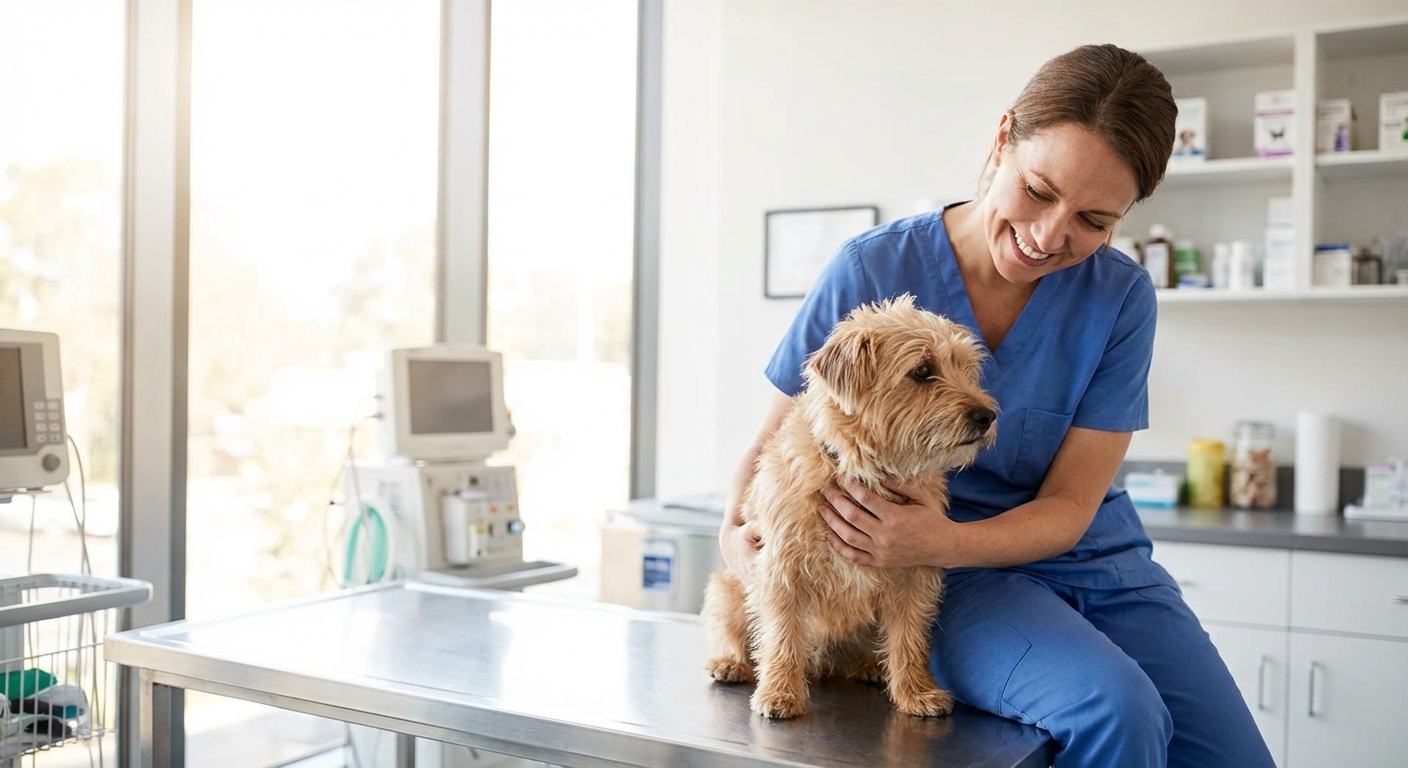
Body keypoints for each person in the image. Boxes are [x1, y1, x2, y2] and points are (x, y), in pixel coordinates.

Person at [719, 44, 1275, 768]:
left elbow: (1073, 506)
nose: (1049, 237)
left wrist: (936, 540)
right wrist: (742, 545)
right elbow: (772, 446)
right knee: (1118, 713)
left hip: (1089, 562)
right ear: (1002, 138)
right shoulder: (873, 268)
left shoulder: (1121, 298)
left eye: (1094, 220)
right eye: (1039, 191)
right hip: (956, 581)